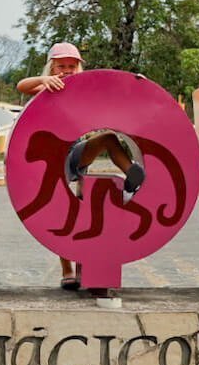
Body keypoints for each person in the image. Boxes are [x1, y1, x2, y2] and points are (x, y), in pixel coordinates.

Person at [17, 42, 145, 291]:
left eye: (71, 66)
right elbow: (22, 85)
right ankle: (67, 270)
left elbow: (114, 92)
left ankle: (131, 174)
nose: (66, 70)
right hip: (50, 160)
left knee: (107, 139)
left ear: (79, 68)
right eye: (60, 66)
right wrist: (45, 80)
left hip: (75, 152)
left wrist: (138, 83)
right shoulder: (47, 87)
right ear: (51, 67)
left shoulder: (84, 88)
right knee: (63, 212)